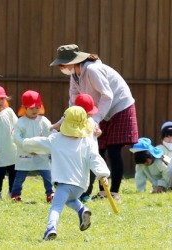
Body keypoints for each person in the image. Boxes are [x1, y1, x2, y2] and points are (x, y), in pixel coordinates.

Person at [50, 44, 138, 200]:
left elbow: (107, 96)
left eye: (62, 64)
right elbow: (74, 103)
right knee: (98, 150)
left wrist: (96, 119)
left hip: (120, 106)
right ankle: (103, 192)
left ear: (73, 61)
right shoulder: (74, 76)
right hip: (100, 111)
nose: (61, 68)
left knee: (113, 150)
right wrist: (61, 122)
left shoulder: (92, 70)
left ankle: (114, 192)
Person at [23, 106, 110, 241]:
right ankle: (82, 210)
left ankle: (51, 228)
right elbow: (95, 159)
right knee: (69, 199)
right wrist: (103, 175)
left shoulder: (56, 139)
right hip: (80, 186)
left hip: (64, 183)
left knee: (56, 207)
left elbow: (38, 143)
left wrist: (24, 142)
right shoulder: (87, 142)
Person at [11, 90, 54, 203]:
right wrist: (29, 148)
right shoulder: (21, 122)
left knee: (47, 175)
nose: (35, 110)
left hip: (42, 154)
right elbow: (16, 137)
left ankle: (50, 193)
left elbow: (51, 135)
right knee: (20, 175)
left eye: (37, 107)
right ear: (24, 108)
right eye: (31, 108)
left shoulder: (44, 121)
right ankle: (15, 194)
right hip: (25, 154)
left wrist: (44, 149)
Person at [74, 93, 102, 202]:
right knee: (77, 174)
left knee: (91, 174)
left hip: (91, 152)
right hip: (78, 153)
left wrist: (98, 132)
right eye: (88, 113)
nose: (90, 114)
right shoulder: (73, 121)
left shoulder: (91, 120)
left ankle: (86, 194)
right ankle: (76, 194)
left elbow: (97, 131)